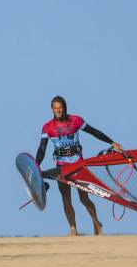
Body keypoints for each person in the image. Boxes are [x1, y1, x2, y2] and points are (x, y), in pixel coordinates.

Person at [35, 96, 123, 236]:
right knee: (66, 199)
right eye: (55, 108)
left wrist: (112, 143)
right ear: (52, 109)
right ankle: (73, 230)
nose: (58, 110)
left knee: (84, 198)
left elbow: (94, 131)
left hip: (78, 165)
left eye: (60, 107)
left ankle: (97, 226)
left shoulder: (76, 121)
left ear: (64, 107)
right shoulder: (47, 127)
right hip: (61, 167)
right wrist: (36, 165)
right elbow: (42, 149)